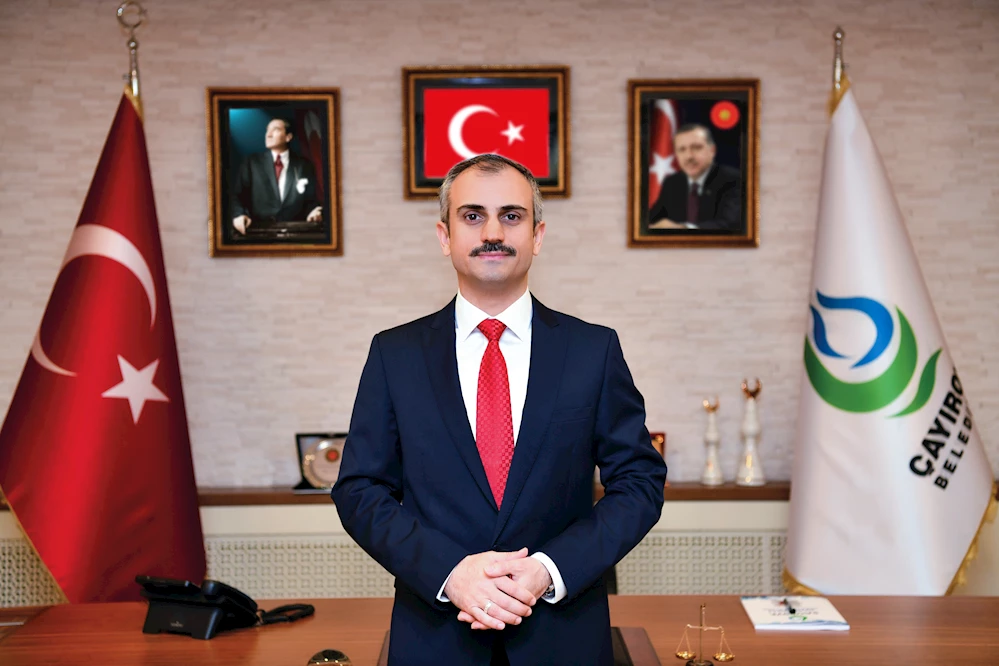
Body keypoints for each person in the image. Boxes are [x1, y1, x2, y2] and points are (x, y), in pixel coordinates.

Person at [332, 154, 667, 665]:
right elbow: (359, 490)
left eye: (511, 216)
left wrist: (548, 570)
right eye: (473, 216)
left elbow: (640, 482)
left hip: (564, 641)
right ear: (444, 236)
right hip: (436, 640)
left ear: (537, 235)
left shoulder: (592, 351)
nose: (493, 232)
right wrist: (449, 573)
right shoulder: (394, 354)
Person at [229, 118, 322, 235]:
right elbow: (237, 196)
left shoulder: (304, 165)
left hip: (295, 232)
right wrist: (238, 214)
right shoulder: (251, 163)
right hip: (258, 232)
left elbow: (310, 200)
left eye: (276, 129)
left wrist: (314, 211)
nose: (268, 134)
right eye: (267, 130)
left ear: (288, 137)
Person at [648, 123, 742, 232]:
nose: (689, 156)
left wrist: (683, 229)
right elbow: (652, 218)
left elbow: (728, 224)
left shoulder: (733, 179)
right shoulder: (672, 182)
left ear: (712, 150)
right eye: (682, 149)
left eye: (696, 148)